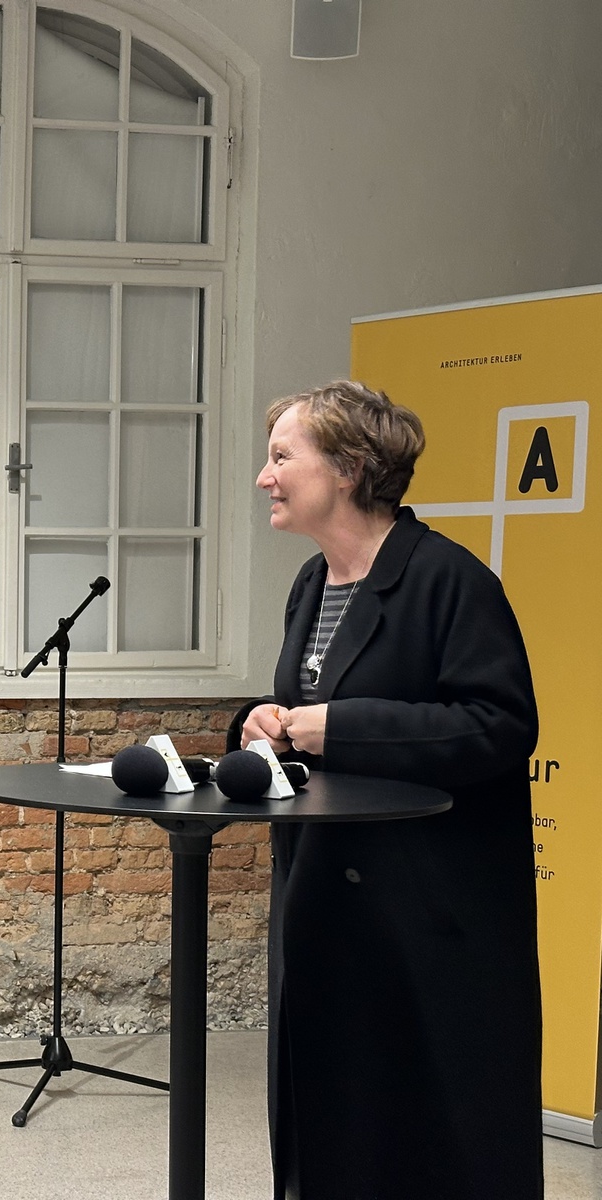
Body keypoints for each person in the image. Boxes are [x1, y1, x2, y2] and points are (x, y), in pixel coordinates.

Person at [233, 380, 541, 1199]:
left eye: (281, 457)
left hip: (427, 913)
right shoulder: (312, 582)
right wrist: (262, 720)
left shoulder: (449, 579)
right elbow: (313, 701)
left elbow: (500, 725)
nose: (264, 477)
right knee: (333, 1125)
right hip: (323, 899)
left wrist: (341, 727)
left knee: (428, 1139)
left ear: (348, 468)